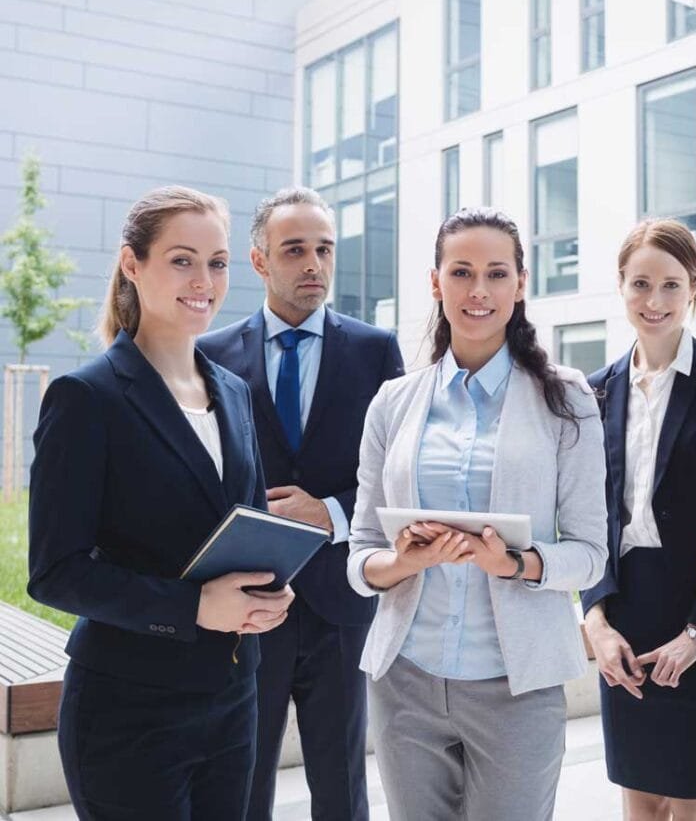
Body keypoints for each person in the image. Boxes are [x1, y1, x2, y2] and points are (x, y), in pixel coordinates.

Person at [28, 186, 295, 820]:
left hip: (233, 699)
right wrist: (194, 606)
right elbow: (55, 571)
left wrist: (270, 591)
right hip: (127, 711)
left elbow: (247, 525)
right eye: (182, 260)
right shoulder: (86, 396)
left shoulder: (233, 392)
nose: (204, 280)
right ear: (132, 264)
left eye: (218, 262)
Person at [346, 207, 608, 821]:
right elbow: (360, 550)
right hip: (405, 679)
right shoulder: (393, 402)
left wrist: (514, 562)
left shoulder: (565, 399)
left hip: (517, 685)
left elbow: (592, 553)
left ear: (521, 284)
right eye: (461, 272)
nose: (478, 291)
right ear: (435, 283)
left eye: (496, 273)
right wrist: (400, 561)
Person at [199, 187, 403, 821]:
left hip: (341, 602)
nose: (314, 263)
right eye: (295, 250)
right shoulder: (210, 354)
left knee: (342, 784)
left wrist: (333, 512)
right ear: (260, 262)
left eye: (323, 249)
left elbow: (397, 474)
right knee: (242, 778)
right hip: (249, 601)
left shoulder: (375, 350)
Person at [583, 219, 696, 821]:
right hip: (626, 611)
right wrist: (596, 621)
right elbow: (585, 517)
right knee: (641, 804)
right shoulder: (595, 391)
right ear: (622, 288)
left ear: (694, 289)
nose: (654, 302)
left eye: (671, 286)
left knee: (693, 804)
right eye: (640, 284)